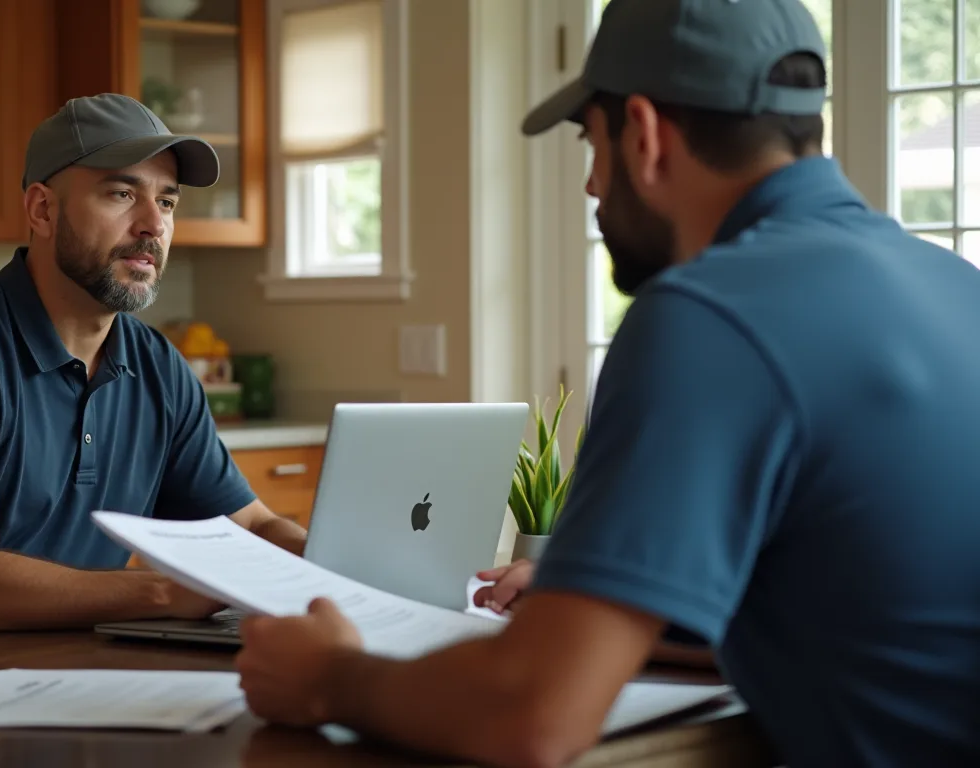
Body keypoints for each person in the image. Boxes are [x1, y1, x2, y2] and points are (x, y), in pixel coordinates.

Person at [232, 1, 980, 766]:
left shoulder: (707, 315)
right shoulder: (957, 286)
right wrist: (617, 603)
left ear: (646, 135)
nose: (592, 184)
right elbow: (872, 619)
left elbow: (532, 718)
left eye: (591, 143)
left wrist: (327, 677)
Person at [0, 93, 306, 642]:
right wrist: (166, 592)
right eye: (123, 193)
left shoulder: (157, 366)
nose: (153, 224)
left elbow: (250, 527)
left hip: (64, 677)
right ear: (42, 210)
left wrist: (337, 565)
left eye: (168, 202)